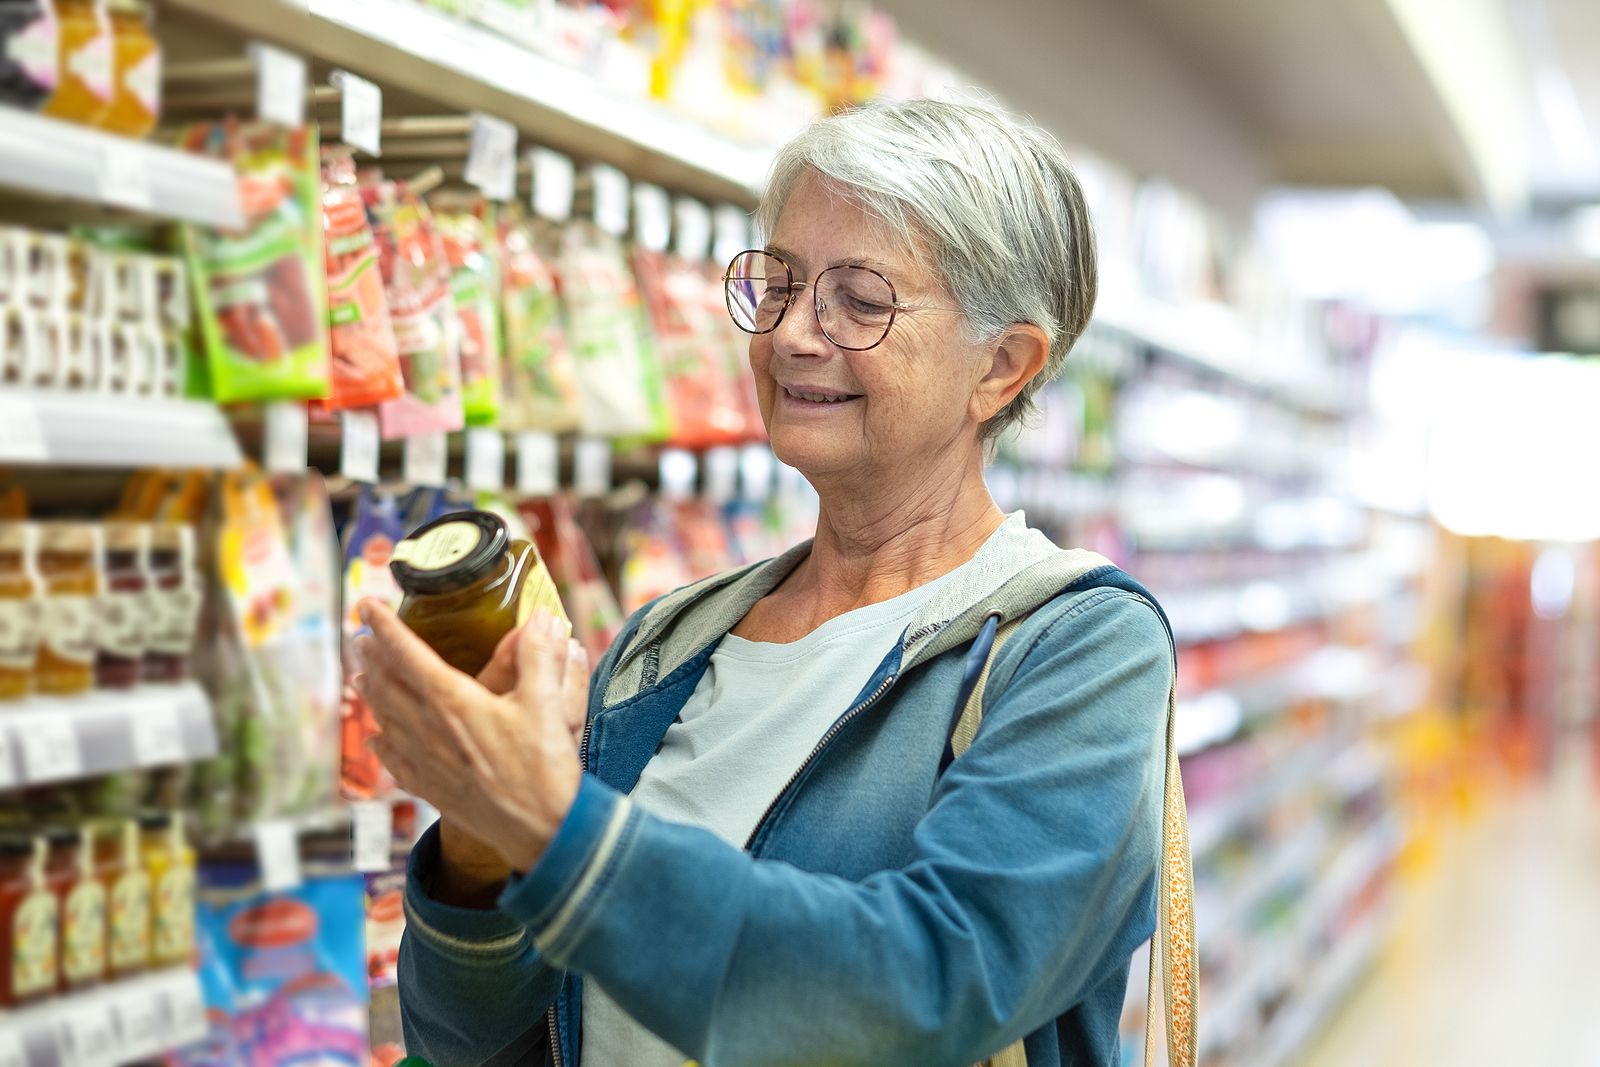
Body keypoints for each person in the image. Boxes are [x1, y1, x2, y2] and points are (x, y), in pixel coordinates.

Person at [356, 97, 1180, 1067]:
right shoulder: (662, 646)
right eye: (779, 282)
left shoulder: (1076, 648)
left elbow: (927, 985)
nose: (792, 332)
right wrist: (479, 828)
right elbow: (473, 1044)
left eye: (860, 300)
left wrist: (549, 820)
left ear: (1002, 366)